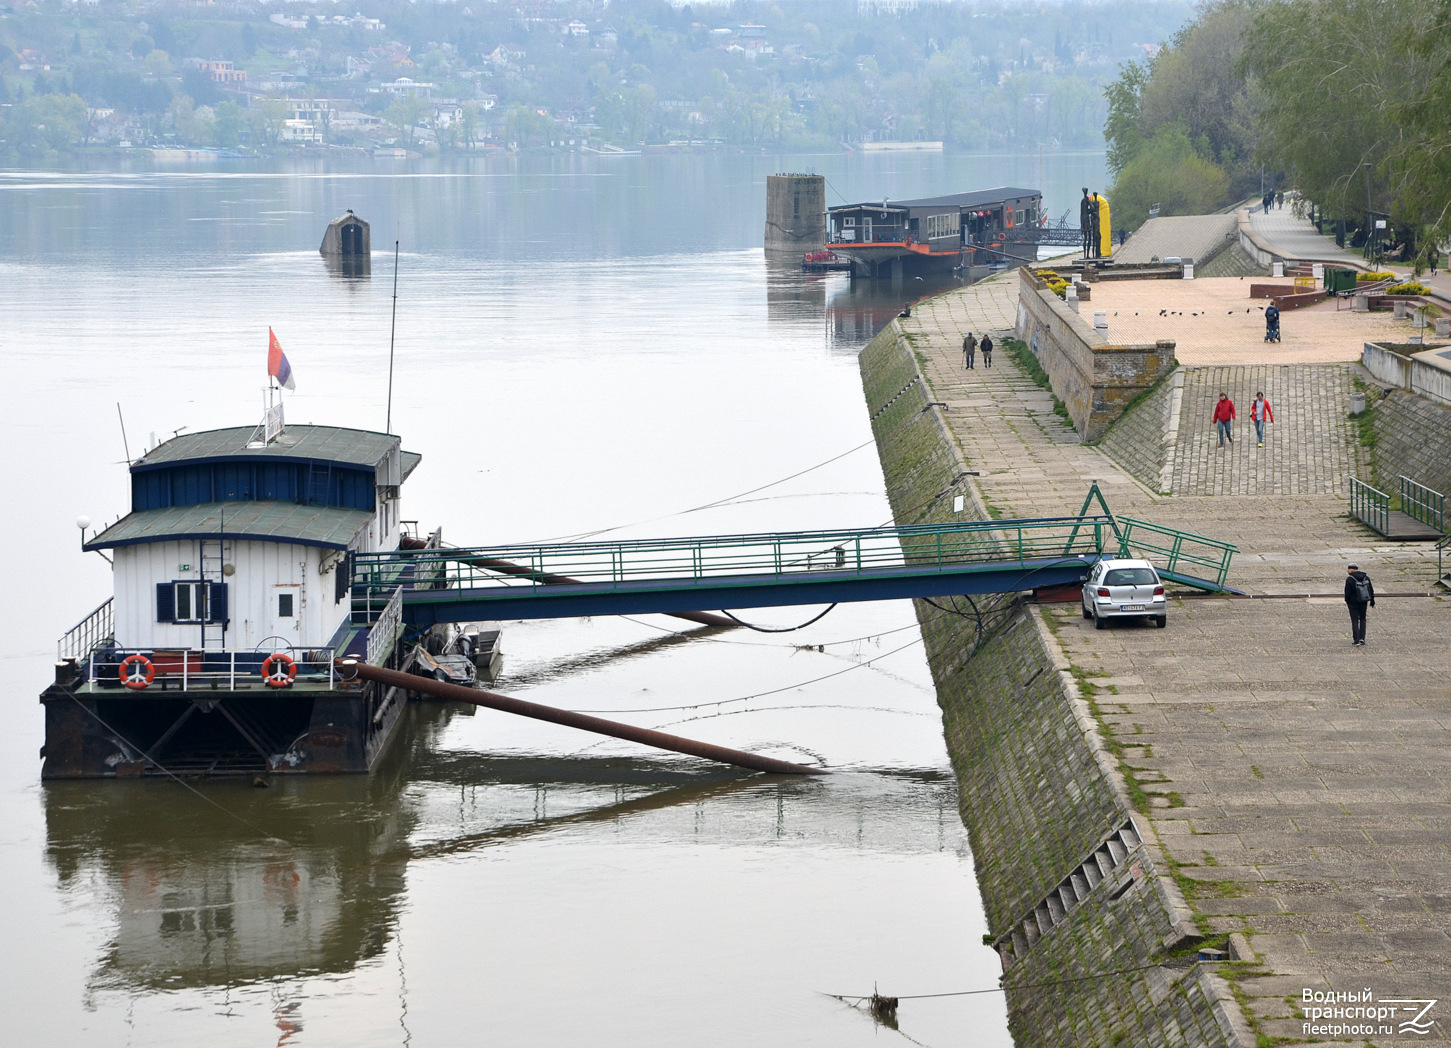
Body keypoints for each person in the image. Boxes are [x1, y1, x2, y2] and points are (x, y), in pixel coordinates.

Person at [1344, 564, 1375, 646]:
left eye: (1349, 569)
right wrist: (1372, 600)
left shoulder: (1350, 579)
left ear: (1353, 570)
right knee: (1363, 618)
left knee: (1354, 620)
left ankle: (1356, 640)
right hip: (1363, 601)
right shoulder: (1366, 577)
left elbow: (1347, 592)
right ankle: (1362, 638)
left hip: (1353, 602)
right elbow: (1370, 589)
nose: (1348, 571)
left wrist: (1347, 601)